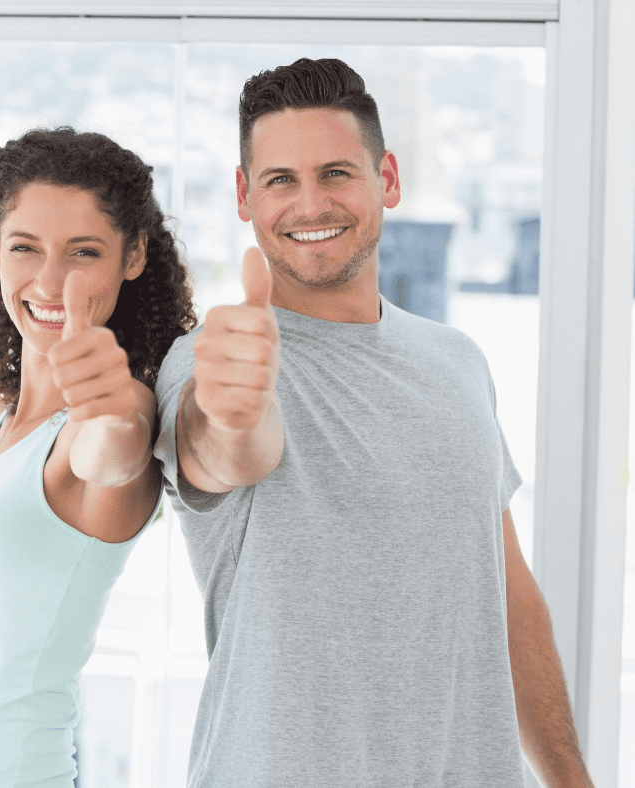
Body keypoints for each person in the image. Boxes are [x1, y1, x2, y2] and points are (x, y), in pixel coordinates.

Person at [153, 58, 594, 787]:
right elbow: (224, 450)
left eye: (335, 173)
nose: (309, 203)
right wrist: (233, 411)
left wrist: (573, 781)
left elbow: (507, 596)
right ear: (245, 196)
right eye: (279, 180)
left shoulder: (458, 363)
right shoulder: (213, 360)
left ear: (386, 178)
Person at [0, 127, 197, 788]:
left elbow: (115, 452)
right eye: (26, 248)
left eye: (83, 252)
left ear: (134, 255)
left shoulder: (110, 420)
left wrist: (111, 405)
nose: (51, 281)